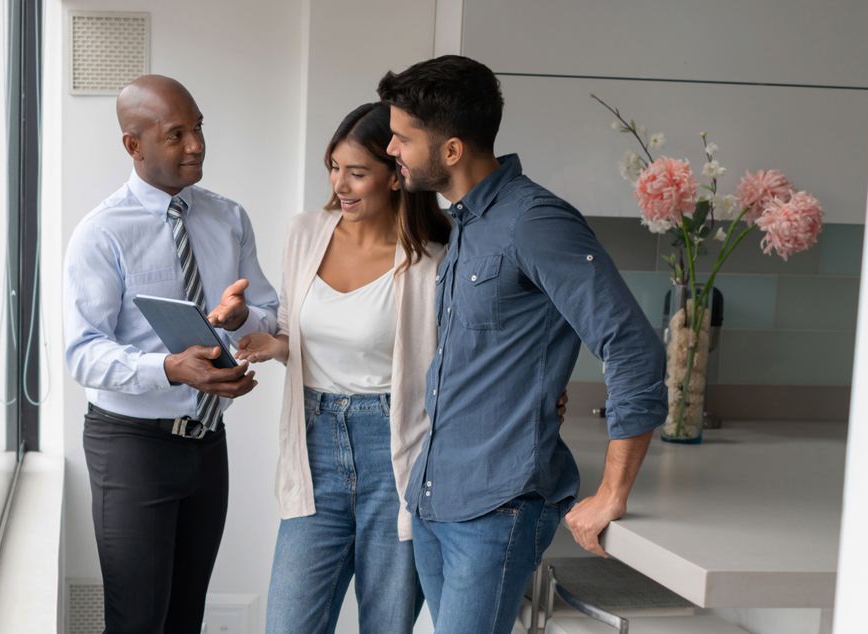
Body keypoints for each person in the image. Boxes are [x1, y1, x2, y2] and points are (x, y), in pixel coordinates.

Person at [379, 55, 667, 634]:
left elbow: (632, 345)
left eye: (402, 138)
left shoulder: (536, 222)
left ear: (452, 150)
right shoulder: (468, 222)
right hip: (438, 498)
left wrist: (613, 490)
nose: (391, 150)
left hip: (497, 506)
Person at [62, 74, 278, 633]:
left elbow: (270, 313)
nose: (197, 145)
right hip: (131, 447)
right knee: (137, 621)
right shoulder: (101, 233)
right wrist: (166, 367)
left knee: (185, 619)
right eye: (176, 134)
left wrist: (241, 317)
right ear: (134, 145)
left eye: (199, 127)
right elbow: (82, 353)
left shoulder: (228, 218)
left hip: (208, 445)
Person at [236, 101, 448, 633]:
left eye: (358, 172)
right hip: (316, 447)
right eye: (334, 168)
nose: (342, 184)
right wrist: (270, 342)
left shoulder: (432, 262)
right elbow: (293, 330)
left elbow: (453, 366)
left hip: (395, 454)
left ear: (396, 176)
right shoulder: (306, 233)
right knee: (289, 624)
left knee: (386, 624)